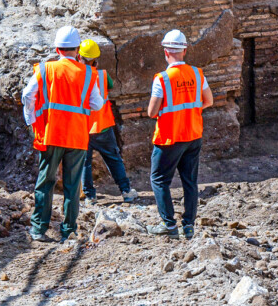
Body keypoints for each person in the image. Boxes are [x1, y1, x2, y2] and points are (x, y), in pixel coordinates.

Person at [21, 25, 105, 242]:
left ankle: (39, 228)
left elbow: (28, 95)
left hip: (51, 135)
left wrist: (31, 119)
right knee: (72, 185)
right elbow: (97, 104)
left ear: (57, 49)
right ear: (77, 50)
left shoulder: (45, 70)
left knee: (45, 181)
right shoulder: (88, 73)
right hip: (77, 137)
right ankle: (69, 230)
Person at [146, 29, 213, 239]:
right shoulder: (197, 73)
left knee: (159, 179)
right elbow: (208, 101)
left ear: (166, 52)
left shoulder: (162, 79)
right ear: (184, 50)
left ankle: (169, 224)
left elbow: (152, 112)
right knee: (190, 182)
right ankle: (189, 225)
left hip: (170, 138)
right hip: (193, 135)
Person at [78, 39, 137, 204]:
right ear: (96, 59)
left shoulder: (76, 76)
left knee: (85, 164)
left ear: (78, 56)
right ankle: (126, 191)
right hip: (103, 126)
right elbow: (109, 86)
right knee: (114, 159)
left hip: (83, 127)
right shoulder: (103, 75)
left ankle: (90, 196)